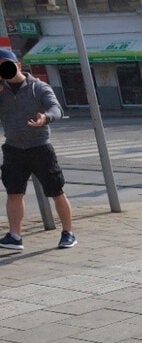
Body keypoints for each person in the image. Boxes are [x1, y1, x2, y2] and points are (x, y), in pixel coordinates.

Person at [0, 49, 75, 250]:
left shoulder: (37, 87)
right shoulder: (1, 90)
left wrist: (45, 118)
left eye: (6, 64)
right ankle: (15, 236)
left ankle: (68, 232)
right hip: (13, 149)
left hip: (40, 147)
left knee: (56, 191)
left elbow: (56, 109)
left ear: (18, 65)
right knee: (14, 193)